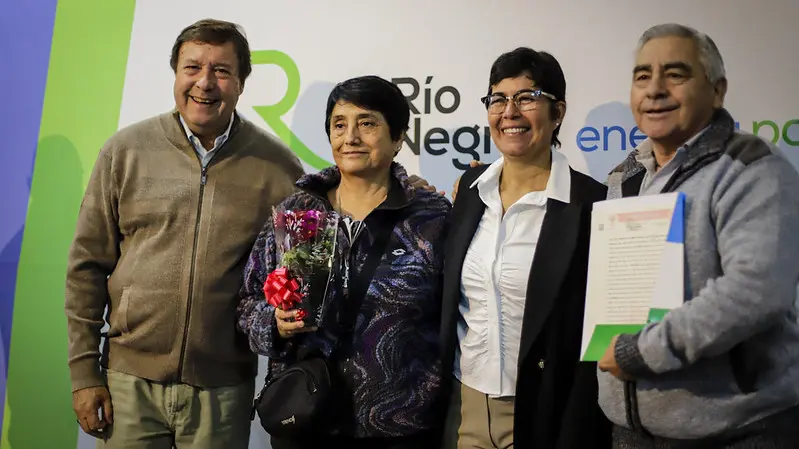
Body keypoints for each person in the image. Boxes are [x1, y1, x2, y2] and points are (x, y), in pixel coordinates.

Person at [64, 18, 305, 448]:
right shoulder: (125, 152)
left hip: (222, 389)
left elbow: (299, 269)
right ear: (175, 73)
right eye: (192, 68)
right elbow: (86, 267)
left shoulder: (278, 168)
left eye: (222, 71)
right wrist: (84, 374)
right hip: (128, 383)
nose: (205, 83)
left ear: (242, 84)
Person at [598, 23, 799, 448]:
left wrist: (642, 351)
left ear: (718, 90)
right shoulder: (624, 176)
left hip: (734, 430)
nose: (654, 89)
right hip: (632, 431)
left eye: (675, 74)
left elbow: (755, 291)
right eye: (642, 76)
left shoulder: (751, 168)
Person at [236, 75, 451, 449]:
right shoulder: (297, 212)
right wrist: (275, 325)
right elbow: (247, 301)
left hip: (399, 424)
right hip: (306, 417)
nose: (350, 137)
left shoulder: (432, 218)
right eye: (339, 125)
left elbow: (457, 314)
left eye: (367, 123)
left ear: (399, 136)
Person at [439, 47, 612, 449]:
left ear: (559, 112)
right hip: (463, 406)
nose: (510, 112)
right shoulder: (469, 189)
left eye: (527, 97)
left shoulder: (594, 205)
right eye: (498, 99)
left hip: (546, 410)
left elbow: (599, 336)